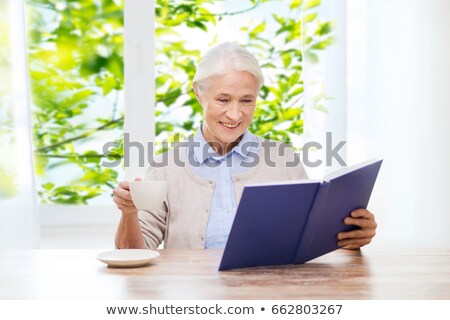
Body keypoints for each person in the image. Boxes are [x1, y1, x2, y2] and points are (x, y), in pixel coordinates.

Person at [113, 42, 377, 251]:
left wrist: (352, 237)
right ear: (198, 93)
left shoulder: (284, 160)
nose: (235, 114)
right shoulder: (166, 166)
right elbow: (134, 251)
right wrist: (129, 214)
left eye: (247, 100)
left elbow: (307, 240)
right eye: (223, 99)